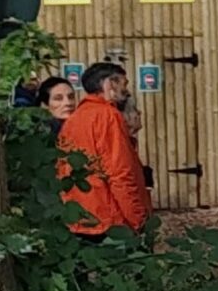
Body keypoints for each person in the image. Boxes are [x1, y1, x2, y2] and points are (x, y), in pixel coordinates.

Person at [56, 61, 150, 238]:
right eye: (123, 83)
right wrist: (137, 219)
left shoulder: (74, 118)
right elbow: (119, 172)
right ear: (110, 84)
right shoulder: (107, 115)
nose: (126, 90)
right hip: (110, 218)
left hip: (80, 215)